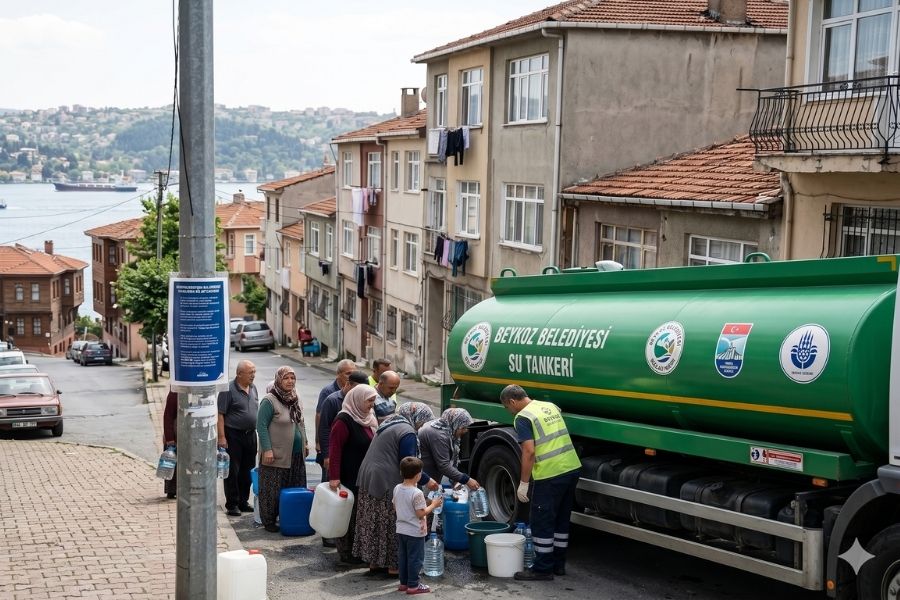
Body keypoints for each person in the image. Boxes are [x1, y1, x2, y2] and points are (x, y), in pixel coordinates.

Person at [500, 384, 581, 581]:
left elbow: (529, 451)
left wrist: (524, 483)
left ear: (512, 401)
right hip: (570, 468)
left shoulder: (523, 418)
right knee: (561, 519)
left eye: (507, 407)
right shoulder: (549, 406)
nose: (509, 411)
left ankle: (543, 569)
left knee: (542, 522)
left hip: (550, 474)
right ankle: (558, 565)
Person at [354, 402, 440, 575]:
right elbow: (408, 463)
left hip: (369, 475)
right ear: (417, 418)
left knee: (374, 521)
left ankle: (376, 563)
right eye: (422, 423)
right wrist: (427, 480)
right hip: (385, 480)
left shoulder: (392, 422)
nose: (421, 426)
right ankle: (394, 566)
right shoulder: (407, 431)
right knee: (393, 521)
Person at [328, 384, 378, 565]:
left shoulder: (368, 417)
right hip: (347, 476)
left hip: (363, 476)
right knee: (347, 516)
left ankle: (358, 551)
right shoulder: (343, 420)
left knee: (359, 515)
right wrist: (334, 477)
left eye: (373, 400)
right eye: (369, 400)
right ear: (357, 400)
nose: (372, 405)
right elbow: (335, 450)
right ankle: (346, 554)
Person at [256, 366, 309, 532]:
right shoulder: (269, 400)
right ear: (279, 379)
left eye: (292, 378)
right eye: (286, 378)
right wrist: (267, 450)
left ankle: (289, 517)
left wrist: (305, 442)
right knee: (272, 489)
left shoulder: (295, 398)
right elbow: (261, 426)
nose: (290, 381)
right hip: (276, 454)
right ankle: (269, 521)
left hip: (295, 453)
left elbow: (301, 422)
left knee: (295, 485)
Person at [393, 456, 443, 595]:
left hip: (401, 529)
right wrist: (433, 504)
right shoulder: (417, 493)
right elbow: (421, 514)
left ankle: (403, 583)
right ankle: (414, 585)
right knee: (416, 558)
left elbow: (395, 506)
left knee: (403, 557)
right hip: (415, 532)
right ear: (418, 475)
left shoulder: (397, 488)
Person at [217, 360, 259, 517]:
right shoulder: (227, 389)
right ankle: (232, 504)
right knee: (232, 471)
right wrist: (221, 437)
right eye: (250, 373)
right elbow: (220, 414)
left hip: (250, 434)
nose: (253, 376)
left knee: (247, 470)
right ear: (239, 374)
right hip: (233, 435)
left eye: (254, 372)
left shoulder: (253, 388)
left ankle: (243, 501)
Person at [318, 370, 369, 473]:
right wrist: (327, 455)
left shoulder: (363, 400)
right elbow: (324, 428)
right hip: (335, 453)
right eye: (358, 389)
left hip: (355, 456)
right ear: (348, 384)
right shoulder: (332, 400)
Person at [418, 408, 479, 491]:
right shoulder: (439, 436)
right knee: (426, 502)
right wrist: (467, 480)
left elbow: (451, 461)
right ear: (455, 423)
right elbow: (443, 466)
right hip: (425, 479)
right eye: (463, 427)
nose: (466, 431)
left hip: (429, 476)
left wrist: (456, 480)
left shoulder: (445, 428)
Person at [316, 359, 356, 475]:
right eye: (348, 373)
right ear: (338, 374)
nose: (351, 377)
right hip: (331, 444)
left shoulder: (358, 391)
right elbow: (320, 417)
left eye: (353, 373)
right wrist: (319, 443)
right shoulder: (328, 392)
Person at [162, 389, 178, 500]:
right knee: (172, 462)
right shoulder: (175, 393)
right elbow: (167, 416)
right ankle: (171, 491)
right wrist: (170, 438)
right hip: (175, 435)